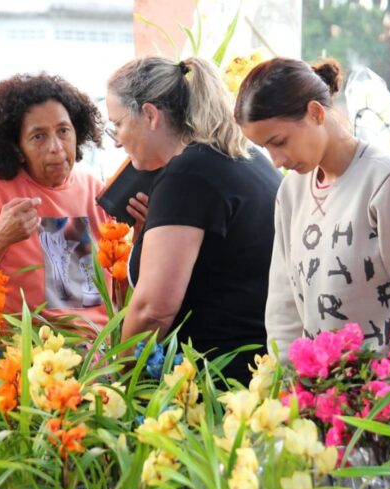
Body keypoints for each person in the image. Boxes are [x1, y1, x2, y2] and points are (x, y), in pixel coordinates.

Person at [235, 57, 390, 354]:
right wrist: (284, 386)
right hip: (311, 394)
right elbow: (283, 308)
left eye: (280, 141)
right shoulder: (292, 191)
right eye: (266, 148)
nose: (276, 160)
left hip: (386, 392)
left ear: (315, 112)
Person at [106, 56, 281, 380]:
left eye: (117, 124)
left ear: (149, 115)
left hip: (213, 386)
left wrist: (116, 380)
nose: (117, 140)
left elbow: (152, 311)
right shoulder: (243, 156)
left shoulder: (188, 175)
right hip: (257, 374)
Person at [0, 73, 108, 327]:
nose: (56, 146)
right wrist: (1, 237)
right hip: (22, 356)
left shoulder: (94, 189)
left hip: (99, 353)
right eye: (39, 136)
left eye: (63, 131)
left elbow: (122, 286)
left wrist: (141, 231)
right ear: (17, 147)